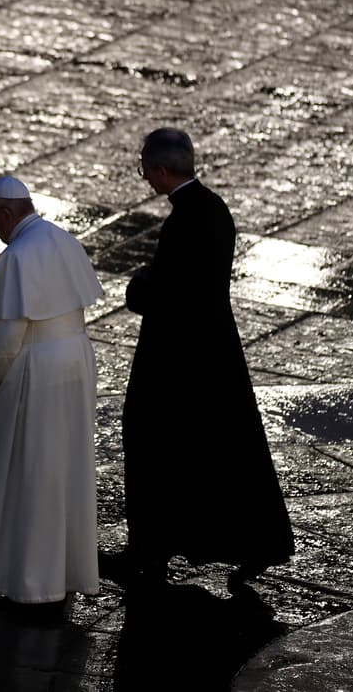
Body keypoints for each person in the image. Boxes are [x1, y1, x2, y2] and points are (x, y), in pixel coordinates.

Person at [112, 127, 294, 584]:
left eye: (146, 170)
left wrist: (137, 287)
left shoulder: (183, 221)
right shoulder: (214, 210)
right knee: (225, 447)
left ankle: (151, 548)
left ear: (161, 169)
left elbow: (166, 293)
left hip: (174, 355)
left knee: (155, 443)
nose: (146, 179)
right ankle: (253, 542)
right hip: (213, 351)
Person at [0, 175, 105, 603]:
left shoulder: (15, 257)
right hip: (75, 360)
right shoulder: (64, 241)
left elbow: (2, 341)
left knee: (9, 472)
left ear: (5, 213)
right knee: (61, 469)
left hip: (34, 367)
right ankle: (62, 574)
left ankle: (6, 574)